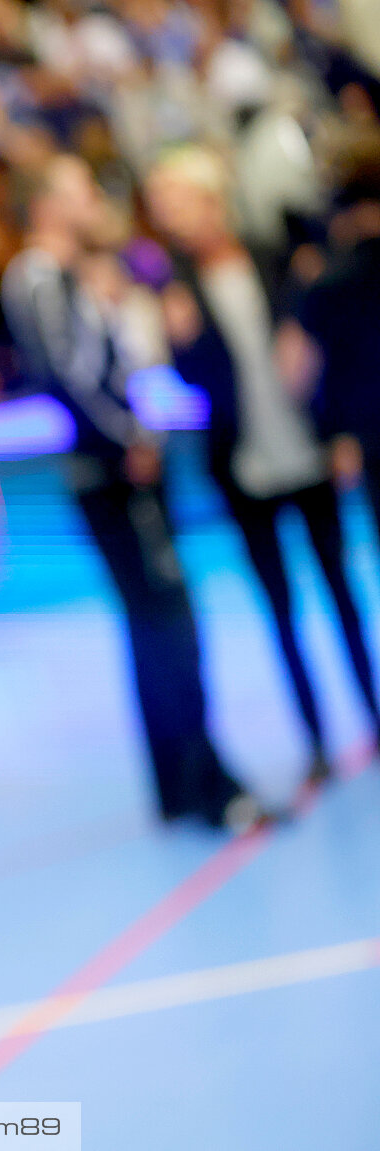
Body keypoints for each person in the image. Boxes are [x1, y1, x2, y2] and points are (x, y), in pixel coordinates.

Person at [2, 154, 260, 830]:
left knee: (156, 624)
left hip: (115, 468)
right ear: (50, 204)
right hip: (115, 475)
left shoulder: (78, 275)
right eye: (80, 189)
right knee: (167, 621)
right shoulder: (39, 276)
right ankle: (209, 783)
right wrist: (131, 439)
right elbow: (71, 377)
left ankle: (180, 780)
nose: (94, 198)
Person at [147, 146, 379, 785]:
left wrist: (337, 432)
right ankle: (316, 740)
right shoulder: (174, 289)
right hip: (245, 465)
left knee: (343, 593)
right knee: (280, 609)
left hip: (306, 447)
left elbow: (324, 344)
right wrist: (180, 340)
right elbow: (190, 388)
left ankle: (373, 714)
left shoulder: (276, 260)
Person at [302, 136, 380, 559]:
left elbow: (302, 370)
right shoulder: (333, 280)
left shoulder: (331, 280)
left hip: (368, 434)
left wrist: (337, 435)